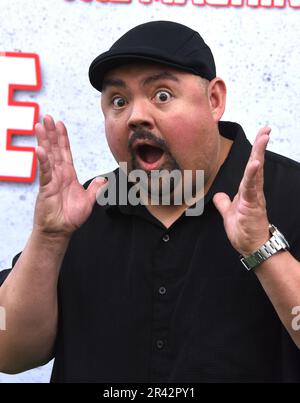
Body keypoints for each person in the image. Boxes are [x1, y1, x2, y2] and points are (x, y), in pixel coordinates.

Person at [1, 20, 300, 383]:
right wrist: (48, 238)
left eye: (161, 95)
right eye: (118, 101)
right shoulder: (79, 212)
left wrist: (261, 247)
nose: (136, 116)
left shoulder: (290, 193)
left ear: (214, 99)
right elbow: (11, 352)